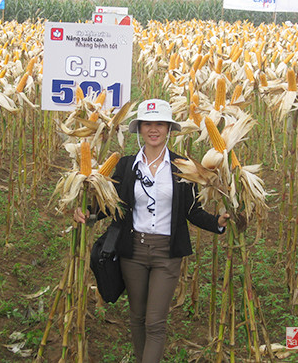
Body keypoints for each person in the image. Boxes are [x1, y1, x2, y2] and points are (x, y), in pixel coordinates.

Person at [74, 99, 229, 363]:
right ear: (140, 129)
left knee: (155, 321)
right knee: (138, 317)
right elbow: (113, 205)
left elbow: (191, 210)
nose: (153, 129)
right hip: (132, 250)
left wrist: (217, 223)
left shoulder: (183, 166)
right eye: (148, 123)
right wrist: (88, 213)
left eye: (160, 124)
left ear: (169, 129)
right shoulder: (125, 166)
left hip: (166, 253)